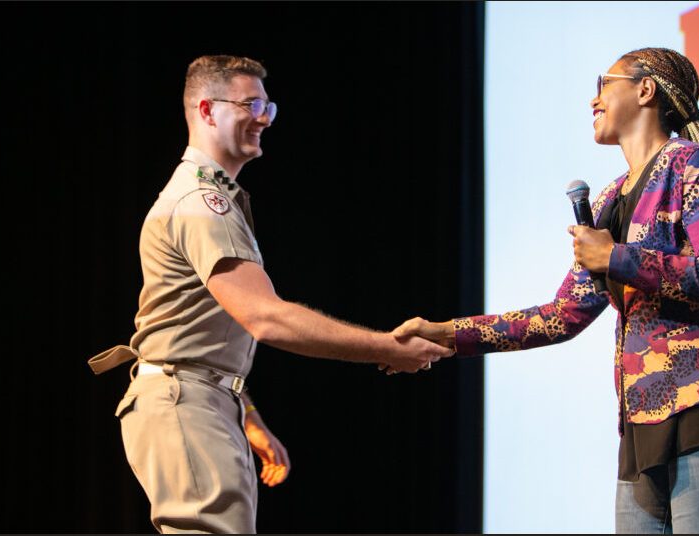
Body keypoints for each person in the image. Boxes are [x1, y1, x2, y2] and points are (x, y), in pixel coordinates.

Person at [394, 47, 699, 533]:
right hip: (643, 424)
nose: (592, 99)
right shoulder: (607, 201)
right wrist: (448, 334)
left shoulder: (694, 165)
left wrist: (616, 257)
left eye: (604, 83)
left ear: (645, 90)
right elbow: (562, 315)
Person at [87, 54, 452, 534]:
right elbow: (266, 318)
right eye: (250, 104)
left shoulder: (212, 197)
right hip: (186, 403)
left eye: (268, 107)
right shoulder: (202, 204)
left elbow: (199, 328)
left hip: (204, 401)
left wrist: (245, 410)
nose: (263, 118)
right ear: (206, 110)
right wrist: (387, 347)